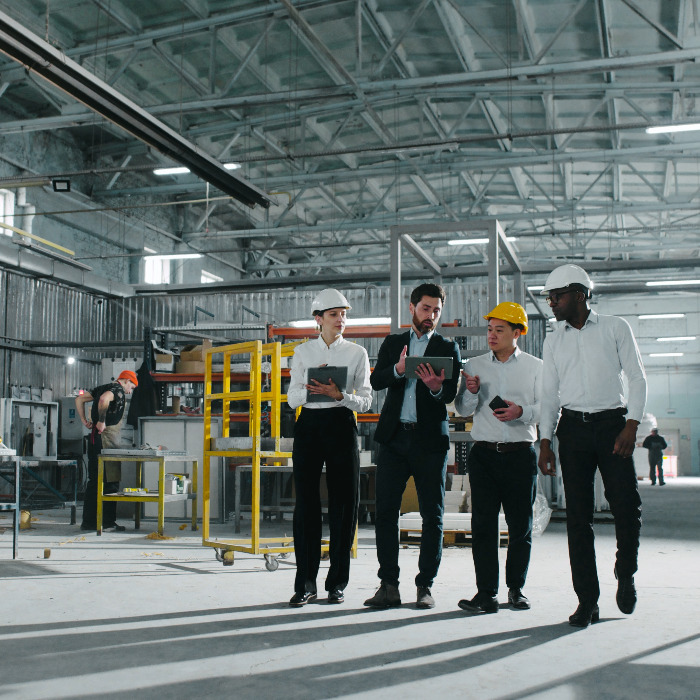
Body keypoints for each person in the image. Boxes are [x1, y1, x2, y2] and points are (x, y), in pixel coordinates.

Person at [537, 264, 646, 628]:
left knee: (626, 506)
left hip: (614, 426)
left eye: (558, 295)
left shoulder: (616, 328)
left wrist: (632, 424)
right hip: (573, 430)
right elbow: (548, 394)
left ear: (580, 294)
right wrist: (545, 441)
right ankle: (588, 601)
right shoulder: (553, 340)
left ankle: (625, 571)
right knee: (577, 518)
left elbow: (637, 377)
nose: (552, 303)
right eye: (549, 297)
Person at [364, 283, 461, 610]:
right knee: (386, 513)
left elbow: (449, 395)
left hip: (430, 442)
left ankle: (425, 587)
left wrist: (435, 388)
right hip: (393, 439)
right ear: (412, 308)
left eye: (436, 310)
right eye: (425, 309)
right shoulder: (393, 343)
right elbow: (376, 382)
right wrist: (399, 369)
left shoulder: (448, 347)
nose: (431, 316)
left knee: (432, 515)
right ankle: (388, 585)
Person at [455, 302, 542, 614]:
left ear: (516, 333)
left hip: (520, 456)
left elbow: (547, 410)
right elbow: (463, 410)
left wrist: (522, 412)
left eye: (499, 330)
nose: (491, 335)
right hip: (485, 457)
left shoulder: (535, 367)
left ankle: (516, 590)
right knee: (483, 527)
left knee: (520, 527)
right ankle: (486, 594)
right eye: (489, 329)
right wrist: (471, 391)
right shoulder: (475, 364)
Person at [286, 288, 372, 606]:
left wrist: (340, 396)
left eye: (344, 314)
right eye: (334, 314)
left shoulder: (357, 354)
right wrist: (313, 390)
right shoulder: (301, 353)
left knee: (344, 504)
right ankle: (305, 583)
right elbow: (291, 398)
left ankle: (337, 583)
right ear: (318, 319)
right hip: (309, 426)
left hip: (341, 425)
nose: (341, 320)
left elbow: (366, 400)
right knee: (306, 505)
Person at [76, 370, 138, 532]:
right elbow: (104, 400)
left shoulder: (103, 387)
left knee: (94, 480)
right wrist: (102, 421)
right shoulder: (116, 390)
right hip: (106, 440)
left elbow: (80, 399)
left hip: (95, 440)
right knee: (110, 481)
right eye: (131, 385)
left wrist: (84, 420)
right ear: (125, 380)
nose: (130, 390)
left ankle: (89, 522)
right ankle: (108, 522)